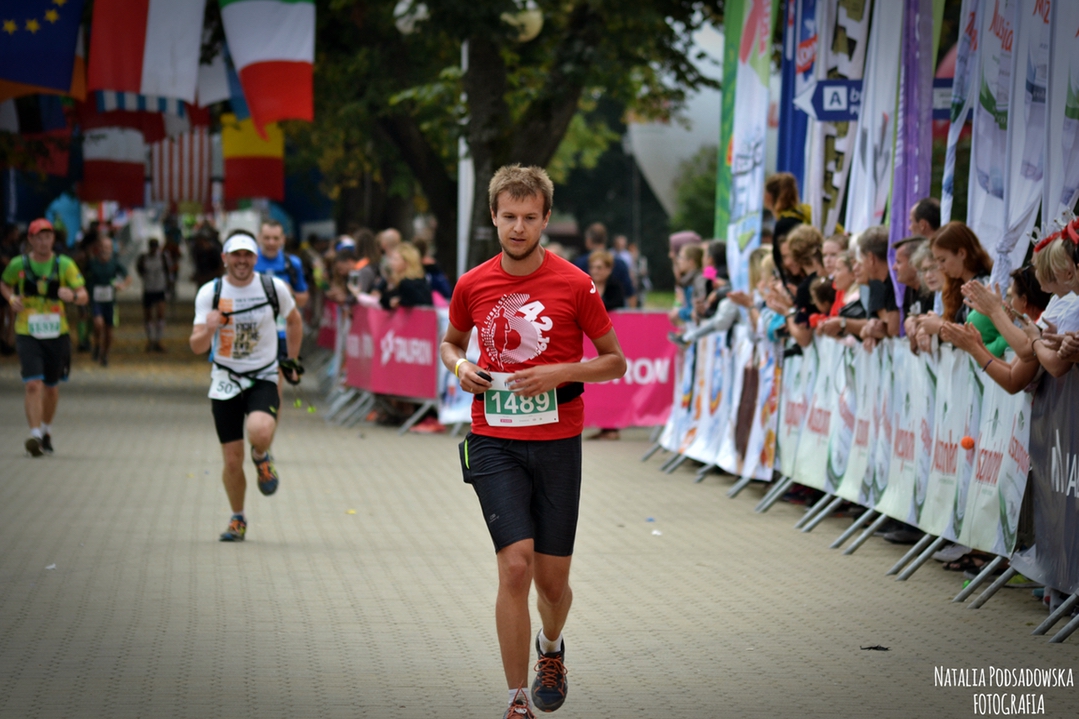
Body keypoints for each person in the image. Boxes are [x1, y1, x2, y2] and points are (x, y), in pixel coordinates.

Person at [440, 164, 626, 718]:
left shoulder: (574, 283)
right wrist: (461, 367)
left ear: (546, 219)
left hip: (557, 441)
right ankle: (516, 698)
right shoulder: (472, 284)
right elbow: (450, 343)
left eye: (528, 217)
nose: (518, 227)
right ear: (494, 217)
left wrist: (560, 372)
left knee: (552, 583)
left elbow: (615, 361)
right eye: (508, 217)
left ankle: (552, 646)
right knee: (515, 566)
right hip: (493, 438)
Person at [189, 232, 303, 542]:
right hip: (225, 379)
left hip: (263, 374)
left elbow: (294, 321)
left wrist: (291, 361)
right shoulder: (211, 292)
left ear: (255, 258)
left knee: (260, 430)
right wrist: (209, 328)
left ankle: (262, 456)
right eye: (235, 255)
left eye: (247, 255)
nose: (242, 261)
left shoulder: (272, 288)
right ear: (224, 258)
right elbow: (197, 346)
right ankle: (237, 518)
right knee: (231, 459)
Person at [0, 219, 88, 456]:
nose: (43, 242)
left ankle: (46, 430)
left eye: (47, 237)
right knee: (32, 384)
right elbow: (4, 284)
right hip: (27, 331)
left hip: (56, 333)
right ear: (30, 240)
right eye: (38, 238)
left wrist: (72, 296)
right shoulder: (18, 264)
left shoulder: (64, 264)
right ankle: (35, 435)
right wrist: (11, 298)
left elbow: (83, 294)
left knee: (51, 388)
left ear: (53, 240)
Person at [255, 219, 310, 398]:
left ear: (282, 240)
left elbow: (303, 299)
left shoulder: (292, 264)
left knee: (274, 382)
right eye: (267, 238)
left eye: (275, 238)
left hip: (281, 333)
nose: (271, 242)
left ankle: (270, 415)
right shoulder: (250, 262)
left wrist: (289, 294)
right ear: (259, 238)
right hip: (253, 331)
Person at [850, 226, 900, 347]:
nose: (858, 267)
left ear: (871, 258)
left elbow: (894, 329)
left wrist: (876, 329)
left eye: (861, 260)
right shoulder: (889, 280)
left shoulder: (894, 281)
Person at [86, 236, 132, 367]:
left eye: (107, 247)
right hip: (96, 301)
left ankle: (104, 354)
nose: (104, 250)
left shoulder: (114, 263)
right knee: (98, 324)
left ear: (111, 249)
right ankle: (97, 344)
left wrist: (122, 285)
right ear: (98, 248)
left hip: (110, 302)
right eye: (102, 247)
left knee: (109, 332)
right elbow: (83, 278)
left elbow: (128, 277)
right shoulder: (92, 263)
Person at [572, 222, 637, 307]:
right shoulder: (620, 263)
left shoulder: (579, 263)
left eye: (599, 268)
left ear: (588, 240)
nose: (595, 271)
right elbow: (630, 293)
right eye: (592, 267)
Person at [136, 238, 172, 352]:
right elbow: (140, 270)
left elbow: (168, 271)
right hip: (148, 289)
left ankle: (158, 340)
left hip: (160, 289)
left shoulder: (163, 257)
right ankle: (150, 340)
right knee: (148, 316)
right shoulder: (144, 258)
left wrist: (169, 286)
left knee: (160, 314)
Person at [375, 242, 433, 309]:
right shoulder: (420, 279)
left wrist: (399, 301)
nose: (391, 263)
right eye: (392, 259)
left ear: (407, 262)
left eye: (396, 259)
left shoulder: (407, 283)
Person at [891, 236, 935, 318]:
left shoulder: (933, 288)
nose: (894, 267)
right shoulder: (909, 290)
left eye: (898, 262)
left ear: (914, 263)